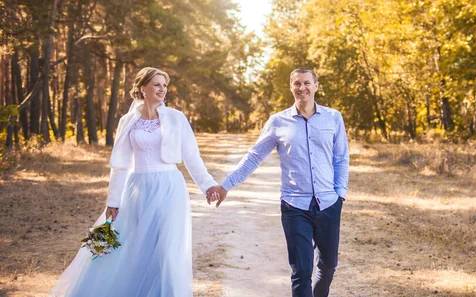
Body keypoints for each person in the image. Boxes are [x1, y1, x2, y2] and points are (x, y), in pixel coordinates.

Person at [48, 67, 221, 297]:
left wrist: (208, 186)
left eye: (165, 85)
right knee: (134, 249)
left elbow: (191, 156)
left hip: (170, 188)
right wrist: (113, 200)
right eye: (157, 84)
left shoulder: (176, 118)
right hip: (137, 189)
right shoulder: (127, 121)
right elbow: (120, 165)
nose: (162, 89)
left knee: (166, 251)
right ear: (143, 88)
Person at [208, 67, 350, 297]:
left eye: (306, 83)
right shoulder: (278, 122)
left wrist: (340, 194)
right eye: (297, 83)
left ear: (316, 86)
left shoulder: (334, 117)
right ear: (291, 86)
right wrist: (226, 185)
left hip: (328, 204)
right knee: (302, 270)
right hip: (295, 206)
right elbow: (254, 156)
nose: (302, 88)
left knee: (328, 266)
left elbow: (341, 158)